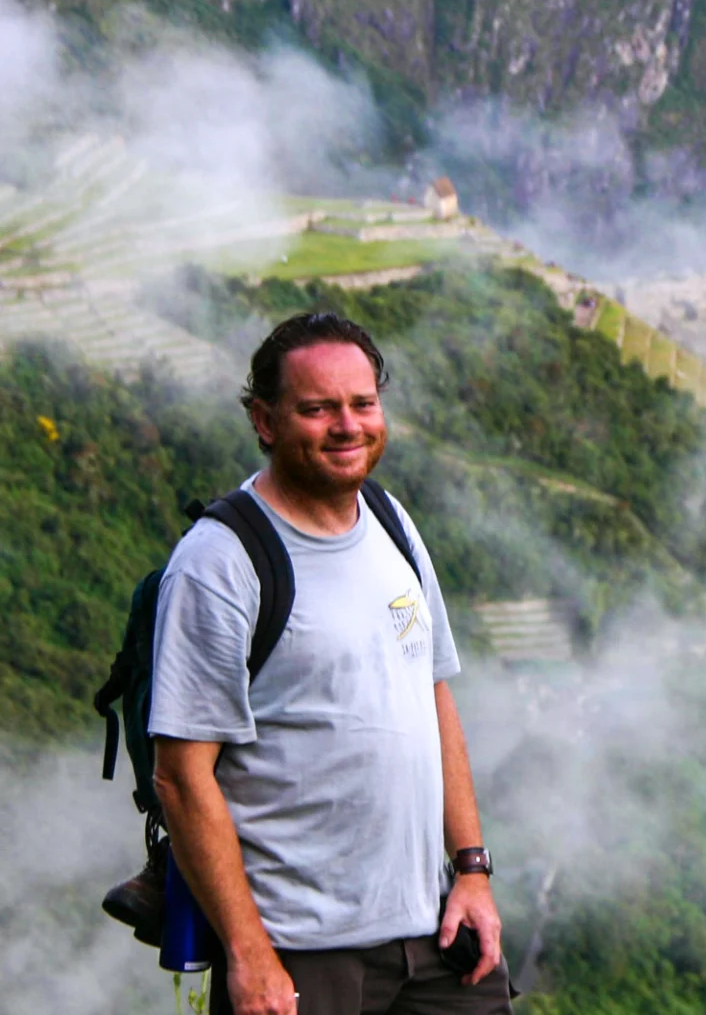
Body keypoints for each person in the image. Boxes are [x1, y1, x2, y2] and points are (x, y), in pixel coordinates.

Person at [149, 313, 511, 1015]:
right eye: (317, 409)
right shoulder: (219, 563)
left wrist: (471, 871)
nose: (348, 425)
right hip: (303, 954)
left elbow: (431, 694)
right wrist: (249, 952)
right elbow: (181, 774)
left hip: (433, 935)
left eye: (363, 403)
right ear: (265, 420)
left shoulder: (390, 521)